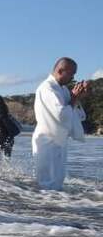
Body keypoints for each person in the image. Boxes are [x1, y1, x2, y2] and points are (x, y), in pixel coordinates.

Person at [32, 57, 90, 190]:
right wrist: (74, 98)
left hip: (58, 141)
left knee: (57, 182)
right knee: (47, 183)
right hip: (47, 141)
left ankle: (54, 208)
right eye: (71, 73)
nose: (73, 77)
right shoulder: (47, 88)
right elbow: (62, 115)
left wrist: (79, 97)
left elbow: (77, 114)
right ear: (60, 70)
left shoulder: (62, 89)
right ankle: (45, 209)